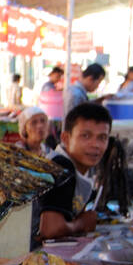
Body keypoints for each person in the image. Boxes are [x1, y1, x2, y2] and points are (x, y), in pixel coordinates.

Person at [37, 101, 113, 241]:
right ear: (66, 138)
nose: (95, 145)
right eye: (85, 136)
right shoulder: (61, 166)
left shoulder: (80, 169)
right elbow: (50, 230)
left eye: (102, 138)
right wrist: (82, 223)